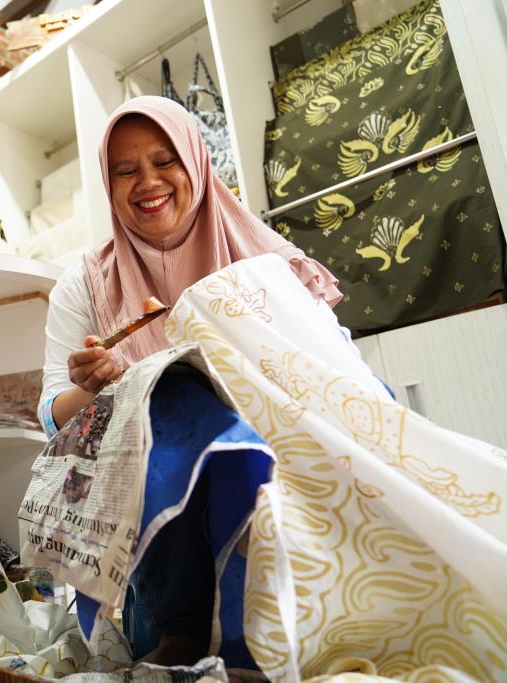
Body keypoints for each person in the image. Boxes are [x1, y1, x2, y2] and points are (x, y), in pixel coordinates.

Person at [38, 96, 343, 666]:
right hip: (159, 485)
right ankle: (185, 628)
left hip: (279, 450)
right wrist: (99, 385)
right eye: (125, 171)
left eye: (164, 162)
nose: (147, 183)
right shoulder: (83, 285)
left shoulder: (265, 260)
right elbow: (52, 413)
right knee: (166, 398)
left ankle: (284, 614)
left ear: (196, 164)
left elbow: (334, 368)